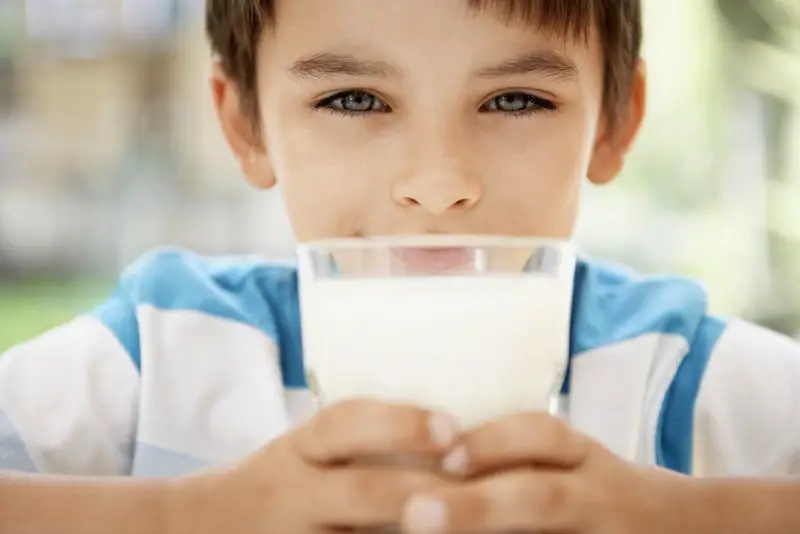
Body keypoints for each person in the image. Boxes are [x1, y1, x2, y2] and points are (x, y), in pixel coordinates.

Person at [1, 1, 799, 532]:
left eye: (515, 100)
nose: (438, 184)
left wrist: (693, 516)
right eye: (353, 99)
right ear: (245, 124)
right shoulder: (162, 355)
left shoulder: (678, 373)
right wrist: (184, 516)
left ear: (614, 122)